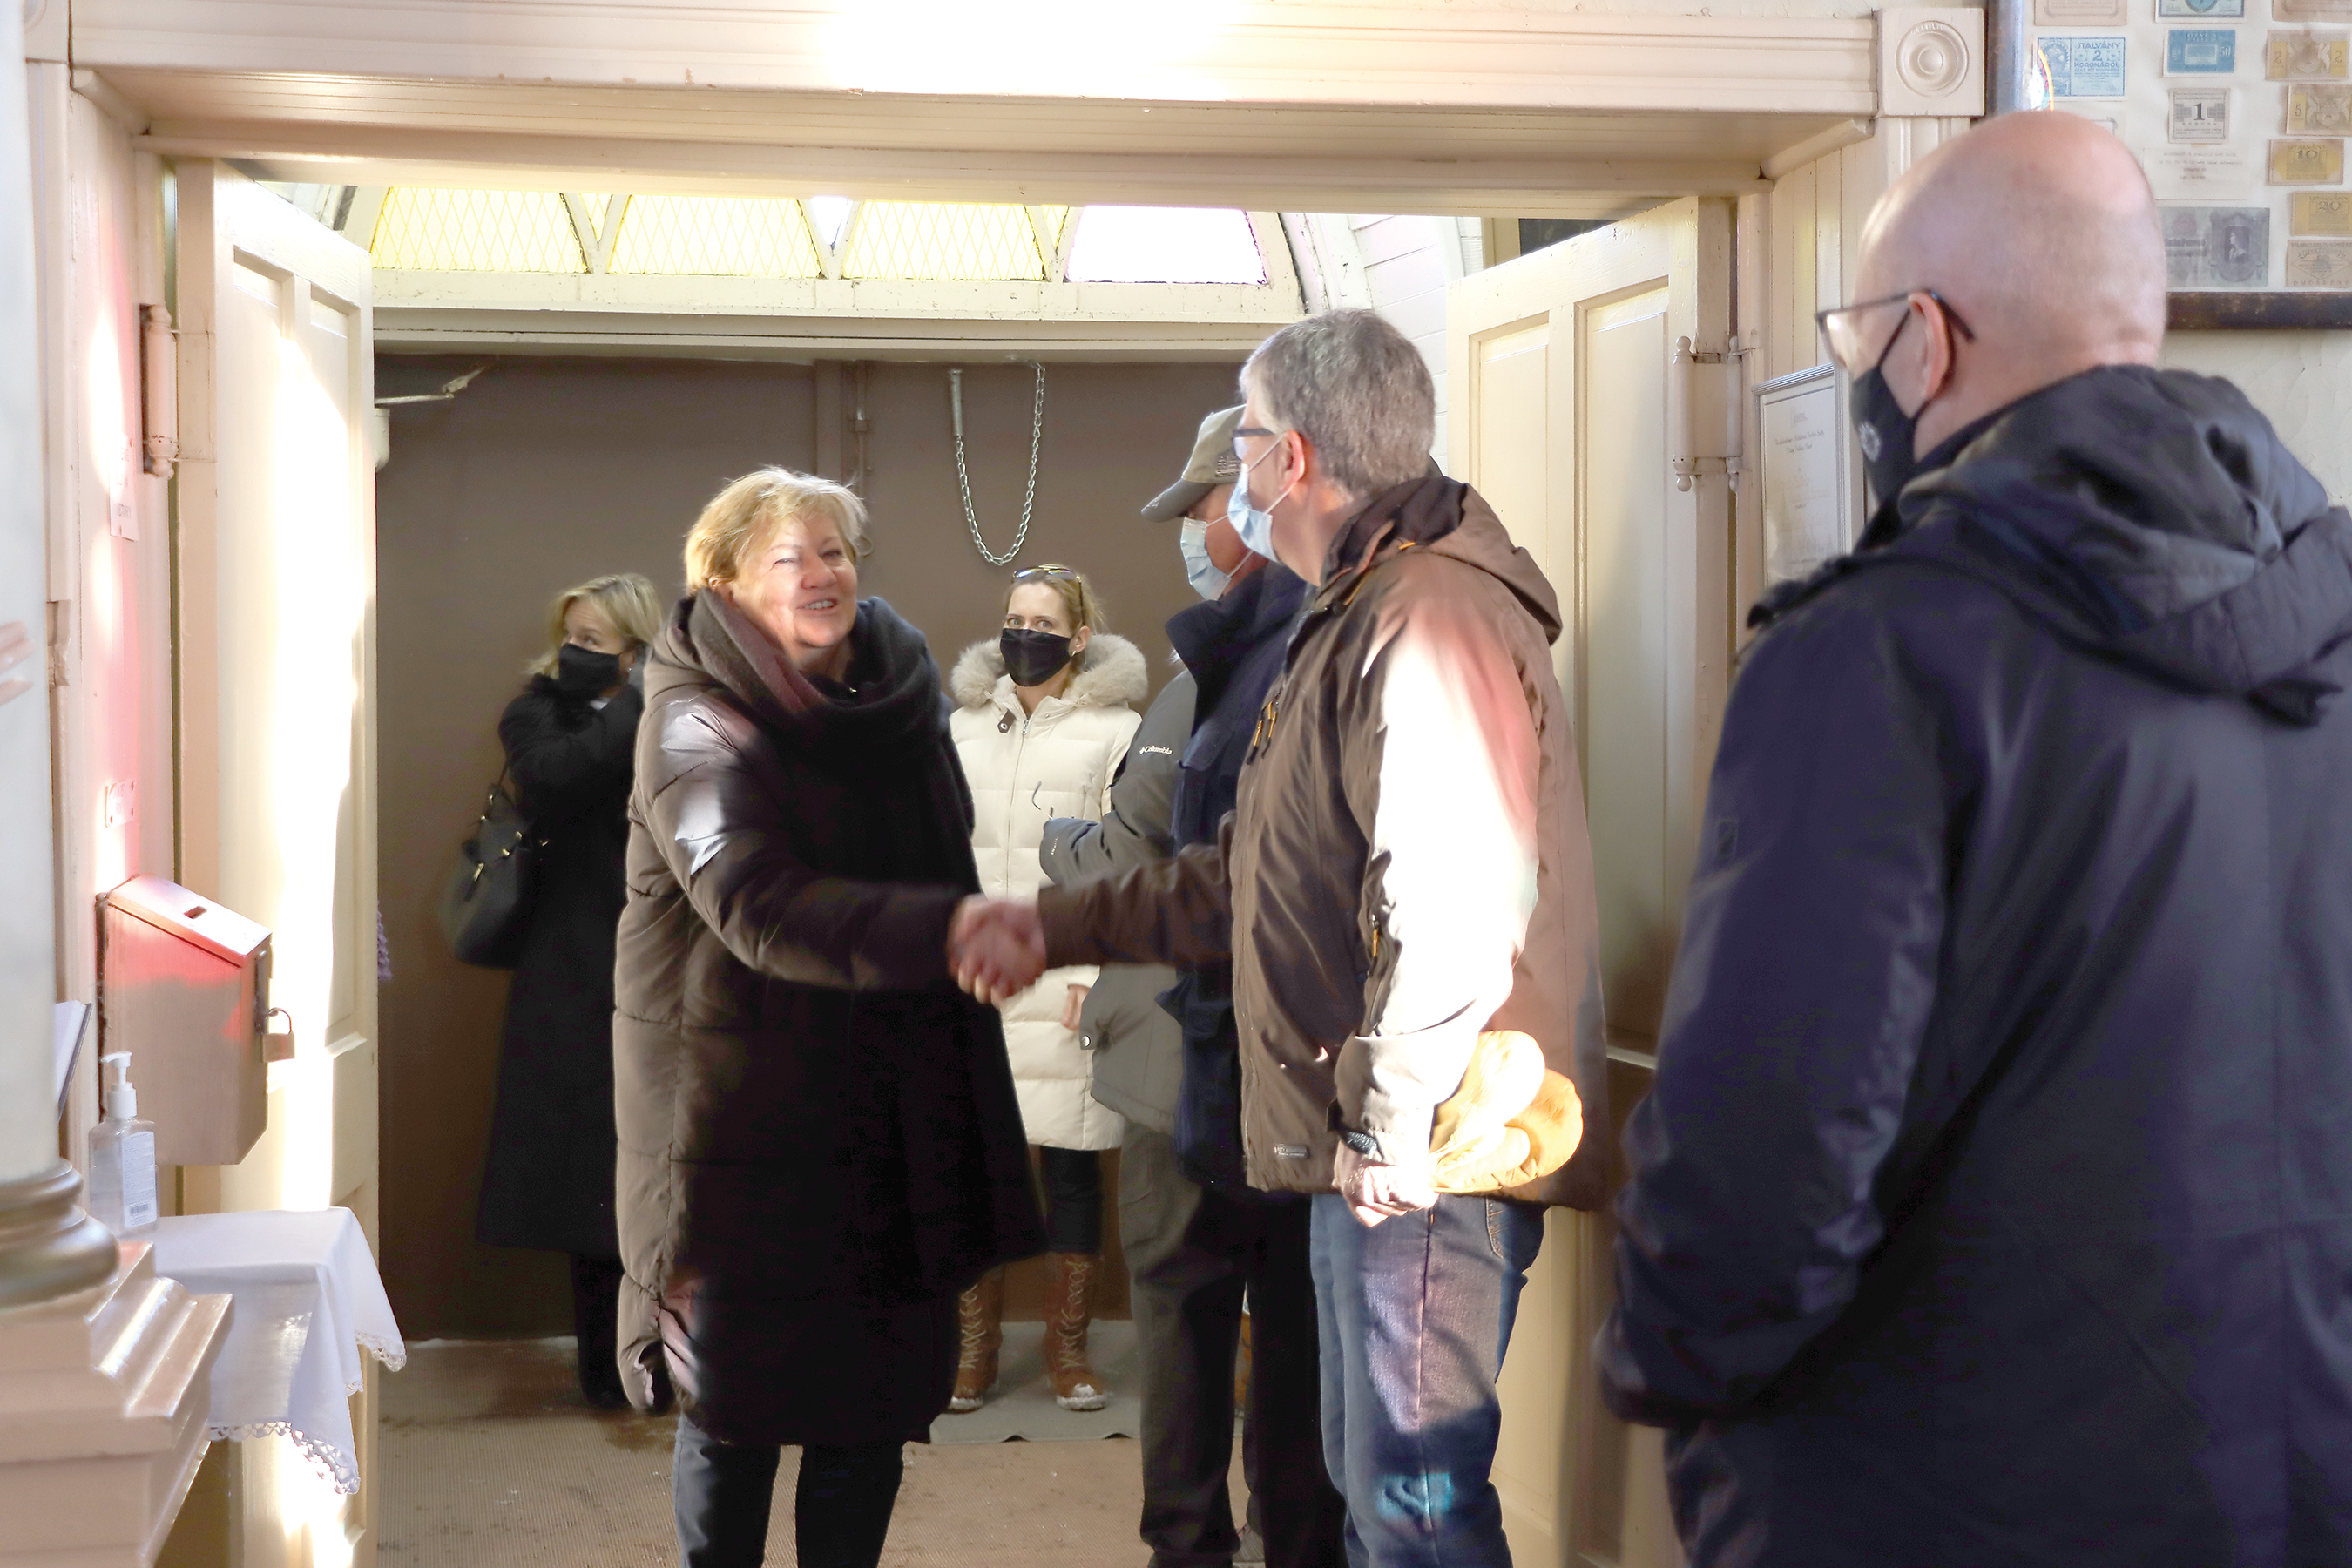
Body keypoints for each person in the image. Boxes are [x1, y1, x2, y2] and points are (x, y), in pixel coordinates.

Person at [1596, 112, 2352, 1567]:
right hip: (2287, 1474)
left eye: (1859, 332)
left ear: (1924, 344)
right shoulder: (2331, 622)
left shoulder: (1874, 652)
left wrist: (1675, 1371)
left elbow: (1773, 1136)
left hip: (1936, 1491)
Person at [951, 308, 1616, 1568]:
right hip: (1377, 1141)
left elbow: (1456, 891)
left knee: (1415, 1517)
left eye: (1248, 442)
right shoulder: (1355, 608)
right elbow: (1259, 880)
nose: (1238, 476)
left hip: (1430, 1157)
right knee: (1377, 1511)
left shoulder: (1421, 617)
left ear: (1297, 459)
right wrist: (1053, 920)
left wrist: (1392, 1118)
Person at [613, 468, 1044, 1568]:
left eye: (836, 551)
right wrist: (944, 935)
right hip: (737, 1127)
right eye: (788, 556)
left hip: (890, 1113)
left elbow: (947, 865)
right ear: (724, 582)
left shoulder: (902, 698)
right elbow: (753, 903)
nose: (821, 573)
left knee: (869, 1411)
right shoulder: (691, 718)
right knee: (736, 1414)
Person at [1037, 403, 1344, 1568]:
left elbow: (1129, 850)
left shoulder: (1221, 667)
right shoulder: (1341, 635)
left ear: (1259, 504)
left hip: (1188, 1071)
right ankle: (1296, 1543)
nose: (1193, 530)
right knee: (1299, 1341)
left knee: (1185, 1328)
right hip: (1301, 1074)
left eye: (1204, 505)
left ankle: (1190, 1547)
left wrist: (1064, 843)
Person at [946, 563, 1146, 1414]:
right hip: (972, 977)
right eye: (1013, 618)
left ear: (1078, 637)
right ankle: (974, 1351)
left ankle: (1068, 1352)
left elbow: (1126, 864)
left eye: (1042, 621)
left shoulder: (1118, 730)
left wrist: (1095, 976)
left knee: (1069, 1167)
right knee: (973, 1168)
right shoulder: (960, 729)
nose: (1022, 634)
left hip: (1061, 972)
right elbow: (937, 851)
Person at [476, 571, 662, 1410]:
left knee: (669, 1173)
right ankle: (604, 1369)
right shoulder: (535, 714)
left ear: (633, 645)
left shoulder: (680, 715)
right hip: (570, 975)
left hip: (665, 967)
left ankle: (670, 1356)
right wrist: (640, 697)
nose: (576, 654)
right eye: (573, 638)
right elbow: (555, 780)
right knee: (592, 1176)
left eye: (596, 641)